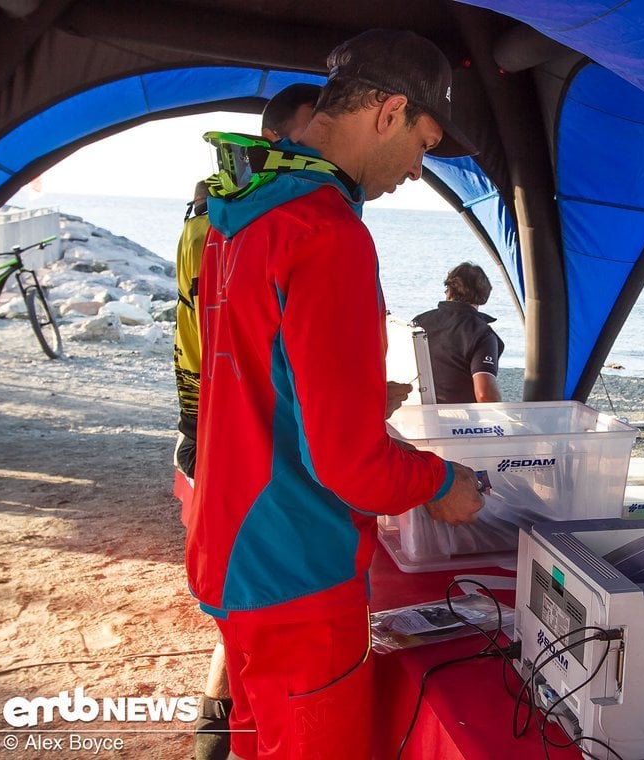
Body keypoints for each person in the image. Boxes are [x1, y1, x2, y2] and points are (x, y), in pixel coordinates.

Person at [185, 29, 483, 760]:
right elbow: (350, 466)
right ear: (388, 112)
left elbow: (254, 382)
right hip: (298, 574)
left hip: (232, 547)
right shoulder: (329, 232)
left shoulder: (238, 215)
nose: (418, 169)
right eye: (424, 141)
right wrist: (441, 479)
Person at [171, 82, 323, 760]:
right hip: (228, 438)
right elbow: (232, 344)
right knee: (251, 605)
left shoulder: (222, 207)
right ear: (287, 134)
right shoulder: (247, 218)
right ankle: (222, 738)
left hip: (214, 430)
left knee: (239, 605)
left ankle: (218, 732)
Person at [412, 261, 504, 403]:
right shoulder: (482, 333)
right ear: (484, 296)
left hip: (415, 413)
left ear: (448, 292)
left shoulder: (418, 322)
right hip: (459, 420)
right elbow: (484, 394)